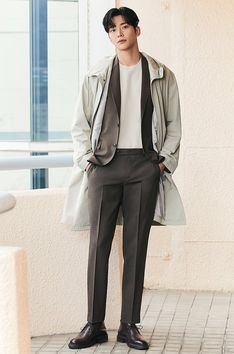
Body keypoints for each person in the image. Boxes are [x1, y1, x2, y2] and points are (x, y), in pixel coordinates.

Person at [62, 6, 186, 351]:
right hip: (104, 165)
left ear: (137, 30)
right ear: (109, 35)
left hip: (143, 166)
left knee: (136, 246)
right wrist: (88, 162)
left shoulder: (162, 75)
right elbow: (79, 125)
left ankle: (129, 325)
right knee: (98, 245)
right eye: (113, 29)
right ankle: (94, 324)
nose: (119, 33)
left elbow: (174, 124)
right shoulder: (96, 75)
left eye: (125, 26)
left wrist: (162, 164)